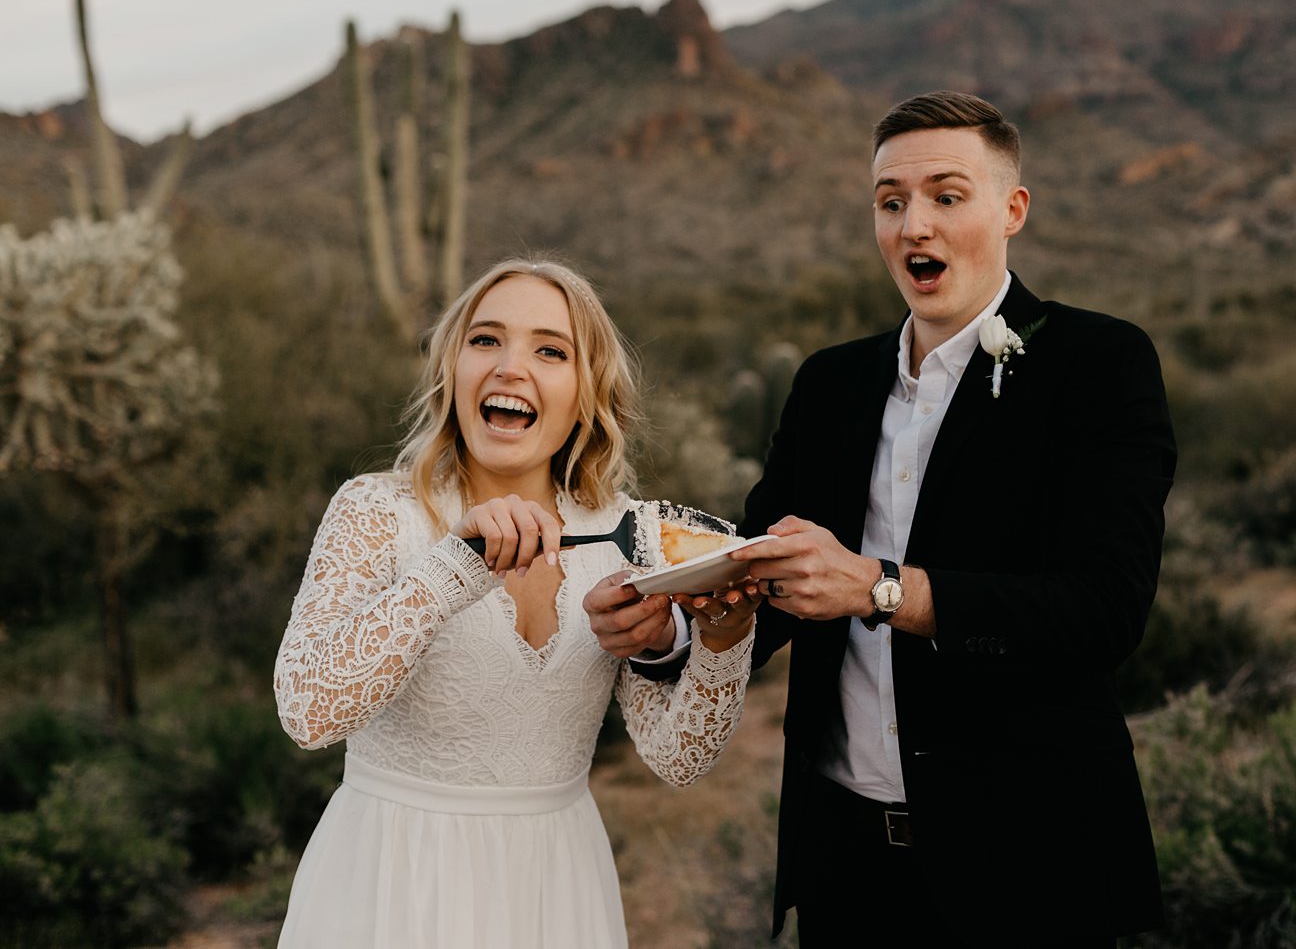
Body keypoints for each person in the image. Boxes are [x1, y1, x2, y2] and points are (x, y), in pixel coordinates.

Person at [588, 91, 1177, 945]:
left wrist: (883, 589)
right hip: (847, 869)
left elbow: (1104, 611)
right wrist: (666, 629)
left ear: (1012, 209)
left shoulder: (1099, 364)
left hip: (1030, 866)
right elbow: (762, 578)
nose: (914, 227)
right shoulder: (829, 384)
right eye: (891, 202)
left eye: (946, 195)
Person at [272, 257, 759, 948]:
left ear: (585, 391)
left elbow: (678, 757)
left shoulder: (629, 537)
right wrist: (454, 566)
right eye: (485, 339)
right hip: (394, 883)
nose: (509, 367)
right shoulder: (377, 511)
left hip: (557, 889)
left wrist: (724, 634)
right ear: (452, 369)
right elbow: (307, 710)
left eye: (550, 350)